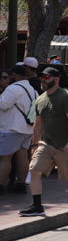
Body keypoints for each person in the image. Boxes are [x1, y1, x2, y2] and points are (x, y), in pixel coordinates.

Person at [19, 67, 68, 222]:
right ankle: (37, 205)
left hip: (65, 146)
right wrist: (34, 145)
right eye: (42, 77)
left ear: (56, 79)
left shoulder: (66, 97)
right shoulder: (40, 99)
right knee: (34, 170)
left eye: (46, 77)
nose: (43, 80)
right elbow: (38, 124)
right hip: (47, 144)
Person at [0, 63, 34, 194]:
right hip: (27, 128)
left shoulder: (13, 89)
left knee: (5, 158)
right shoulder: (32, 89)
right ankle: (20, 184)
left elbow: (3, 105)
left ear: (15, 75)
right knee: (22, 156)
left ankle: (0, 185)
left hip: (12, 128)